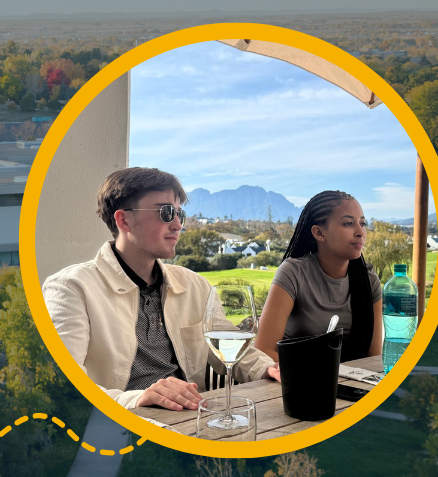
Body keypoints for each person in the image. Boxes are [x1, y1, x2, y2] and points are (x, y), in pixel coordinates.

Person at [43, 168, 278, 411]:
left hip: (192, 418)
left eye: (179, 214)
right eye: (165, 213)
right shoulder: (72, 289)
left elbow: (230, 347)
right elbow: (63, 383)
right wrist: (136, 398)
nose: (177, 225)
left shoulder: (195, 286)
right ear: (124, 220)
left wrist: (267, 368)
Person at [253, 191, 382, 363]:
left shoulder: (369, 281)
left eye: (362, 223)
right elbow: (264, 350)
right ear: (319, 233)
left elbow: (373, 357)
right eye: (348, 223)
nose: (360, 232)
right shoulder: (293, 273)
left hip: (352, 385)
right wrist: (319, 378)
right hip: (296, 384)